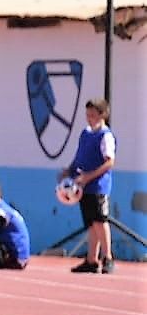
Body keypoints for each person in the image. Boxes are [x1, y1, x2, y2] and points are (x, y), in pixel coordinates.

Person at [62, 97, 117, 274]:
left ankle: (108, 257)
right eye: (87, 114)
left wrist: (89, 177)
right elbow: (79, 156)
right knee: (91, 224)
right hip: (83, 186)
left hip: (98, 186)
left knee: (101, 221)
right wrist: (70, 171)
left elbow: (109, 162)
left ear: (103, 115)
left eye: (93, 115)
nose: (89, 118)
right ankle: (91, 260)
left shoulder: (106, 136)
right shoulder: (85, 134)